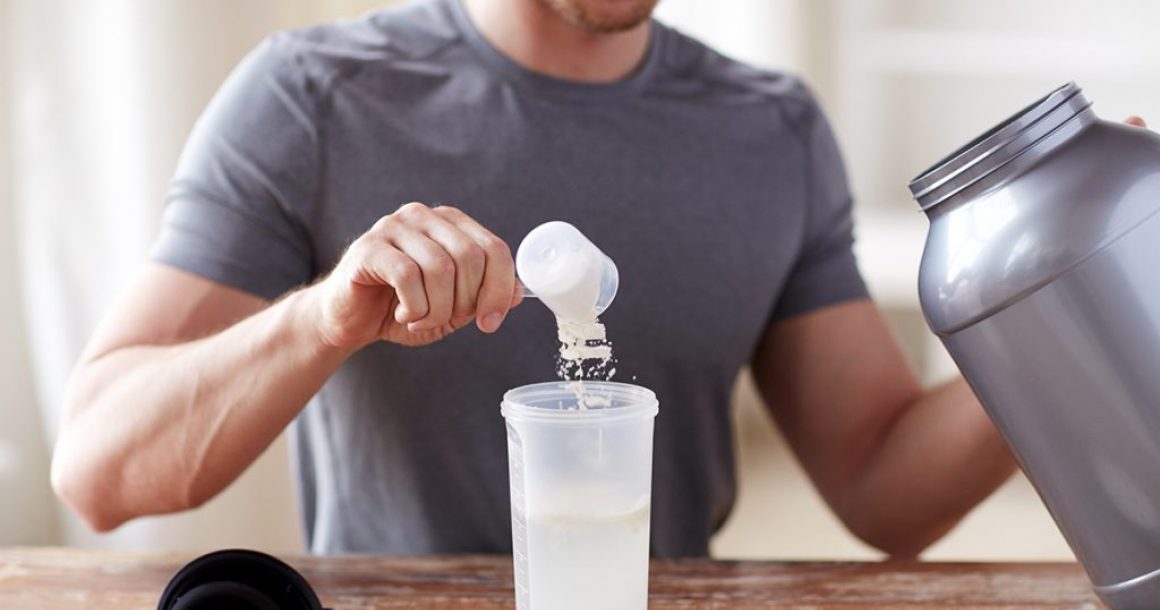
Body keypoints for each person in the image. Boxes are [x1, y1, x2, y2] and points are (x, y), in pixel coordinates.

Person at [50, 0, 1014, 557]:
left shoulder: (772, 131)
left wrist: (1059, 313)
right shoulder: (313, 98)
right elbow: (97, 469)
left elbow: (884, 481)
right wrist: (320, 322)